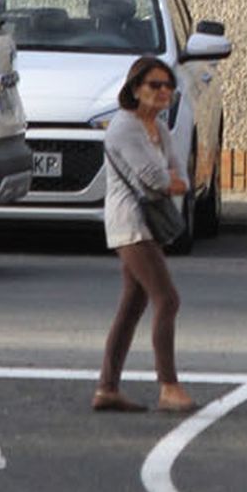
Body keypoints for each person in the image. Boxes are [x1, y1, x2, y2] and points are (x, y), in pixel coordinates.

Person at [93, 53, 193, 415]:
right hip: (129, 224)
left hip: (147, 224)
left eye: (168, 86)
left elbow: (180, 175)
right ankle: (169, 386)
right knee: (167, 299)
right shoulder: (125, 127)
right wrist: (169, 181)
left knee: (133, 305)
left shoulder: (160, 129)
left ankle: (107, 388)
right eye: (155, 85)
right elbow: (155, 179)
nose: (163, 91)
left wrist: (170, 181)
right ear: (135, 89)